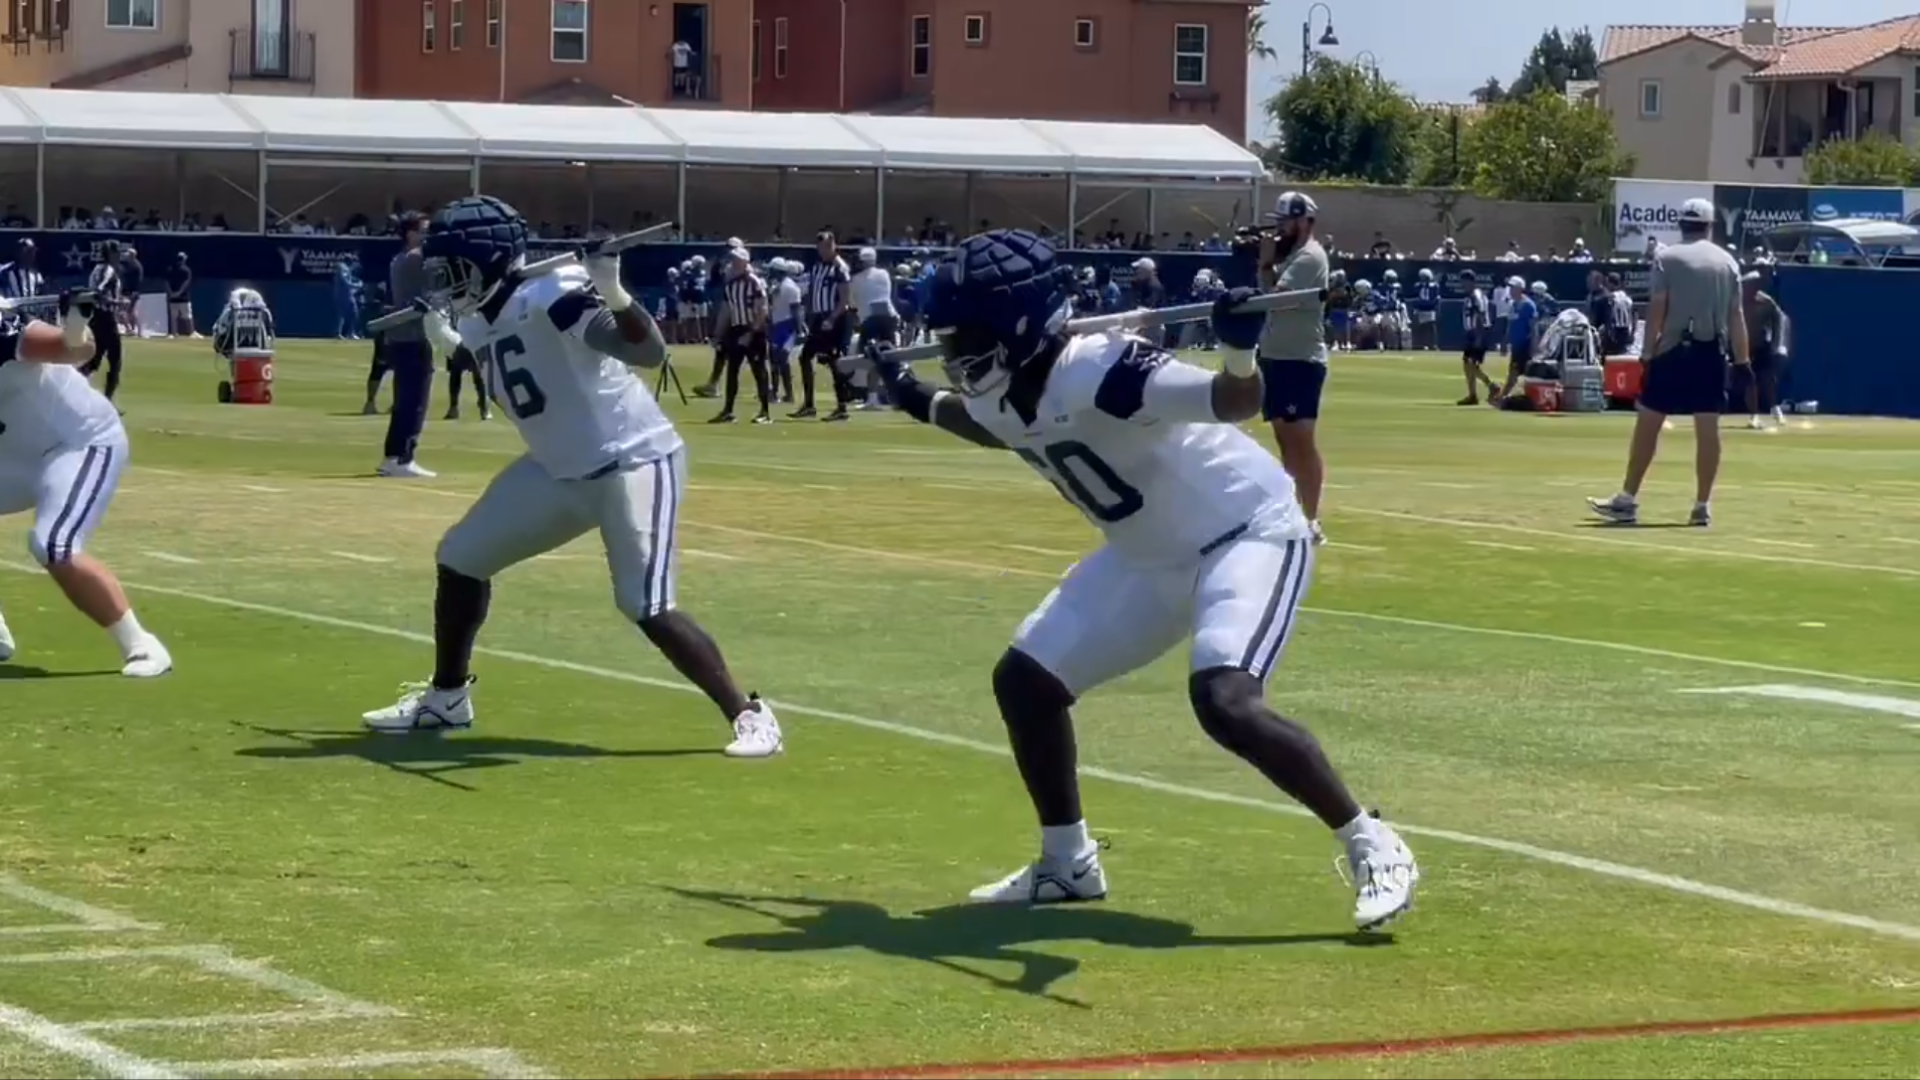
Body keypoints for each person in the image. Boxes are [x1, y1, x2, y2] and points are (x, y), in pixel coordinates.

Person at [864, 229, 1417, 930]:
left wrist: (1240, 346)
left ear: (1019, 326)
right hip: (1146, 555)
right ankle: (1068, 864)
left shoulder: (1100, 368)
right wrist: (910, 395)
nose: (954, 356)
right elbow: (988, 424)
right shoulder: (1006, 383)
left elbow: (1233, 399)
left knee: (1227, 701)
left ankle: (1373, 842)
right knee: (1026, 683)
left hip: (1244, 534)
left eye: (965, 338)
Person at [362, 195, 783, 758]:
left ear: (486, 261)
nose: (444, 282)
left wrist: (613, 290)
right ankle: (447, 697)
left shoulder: (552, 293)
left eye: (452, 269)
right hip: (559, 469)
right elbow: (513, 367)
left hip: (630, 460)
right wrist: (451, 343)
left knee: (646, 605)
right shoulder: (482, 309)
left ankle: (750, 714)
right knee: (461, 558)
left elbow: (648, 351)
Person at [0, 289, 172, 677]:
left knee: (53, 543)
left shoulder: (7, 333)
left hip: (78, 442)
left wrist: (75, 321)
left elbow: (76, 350)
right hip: (16, 454)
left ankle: (141, 645)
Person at [1589, 197, 1747, 527]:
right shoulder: (1728, 262)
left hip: (1673, 349)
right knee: (1707, 428)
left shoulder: (1666, 258)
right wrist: (1742, 360)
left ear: (1681, 224)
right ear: (1709, 226)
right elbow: (1736, 316)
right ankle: (1702, 505)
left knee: (1648, 422)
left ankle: (1628, 498)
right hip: (1712, 351)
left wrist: (1646, 355)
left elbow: (1658, 308)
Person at [1254, 191, 1331, 546]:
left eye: (1286, 220)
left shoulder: (1309, 257)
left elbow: (1277, 299)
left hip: (1300, 358)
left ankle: (1311, 518)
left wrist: (1266, 263)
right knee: (1285, 440)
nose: (1280, 228)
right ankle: (1291, 514)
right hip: (1275, 355)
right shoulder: (1291, 257)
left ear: (1303, 221)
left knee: (1302, 439)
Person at [379, 213, 436, 478]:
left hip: (402, 336)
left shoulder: (399, 259)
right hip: (414, 334)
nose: (428, 235)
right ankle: (404, 457)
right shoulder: (415, 259)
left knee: (404, 399)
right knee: (415, 400)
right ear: (411, 233)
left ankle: (393, 456)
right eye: (424, 230)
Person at [710, 247, 772, 425]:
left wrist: (752, 332)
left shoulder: (754, 282)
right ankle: (728, 411)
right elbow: (726, 310)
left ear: (745, 262)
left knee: (759, 371)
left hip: (754, 329)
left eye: (737, 260)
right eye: (732, 260)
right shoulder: (730, 285)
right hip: (736, 329)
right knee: (732, 371)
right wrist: (718, 334)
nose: (734, 263)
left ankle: (765, 411)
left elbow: (763, 308)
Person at [794, 231, 853, 420]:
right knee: (805, 357)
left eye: (826, 247)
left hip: (834, 319)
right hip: (819, 318)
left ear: (833, 245)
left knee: (834, 360)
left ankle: (842, 406)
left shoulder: (840, 267)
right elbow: (813, 292)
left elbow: (844, 299)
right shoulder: (817, 267)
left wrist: (832, 319)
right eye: (820, 247)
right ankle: (809, 404)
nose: (823, 251)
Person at [1740, 270, 1788, 429]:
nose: (1750, 287)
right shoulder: (1737, 300)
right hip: (1744, 345)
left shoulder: (1766, 301)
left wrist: (1778, 342)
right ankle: (1754, 416)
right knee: (1750, 380)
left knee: (1767, 380)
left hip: (1762, 346)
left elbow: (1779, 319)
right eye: (1747, 284)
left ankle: (1775, 409)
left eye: (1753, 284)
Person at [81, 242, 125, 407]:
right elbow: (99, 290)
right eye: (117, 252)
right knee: (115, 360)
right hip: (105, 318)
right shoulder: (108, 270)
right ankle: (108, 402)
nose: (119, 256)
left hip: (95, 319)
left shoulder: (95, 269)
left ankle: (77, 391)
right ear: (111, 253)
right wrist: (117, 302)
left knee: (93, 360)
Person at [1456, 269, 1498, 405]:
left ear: (1471, 282)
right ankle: (1473, 394)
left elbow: (1480, 315)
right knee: (1468, 364)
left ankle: (1491, 386)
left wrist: (1478, 337)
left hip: (1477, 333)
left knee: (1471, 364)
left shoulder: (1476, 296)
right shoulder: (1470, 296)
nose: (1463, 285)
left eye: (1464, 282)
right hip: (1472, 333)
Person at [164, 252, 196, 339]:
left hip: (173, 297)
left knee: (174, 317)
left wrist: (171, 293)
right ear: (184, 260)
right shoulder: (186, 270)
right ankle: (191, 333)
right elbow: (186, 283)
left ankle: (174, 333)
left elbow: (166, 283)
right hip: (183, 297)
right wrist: (178, 293)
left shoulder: (170, 269)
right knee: (187, 316)